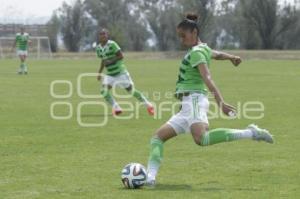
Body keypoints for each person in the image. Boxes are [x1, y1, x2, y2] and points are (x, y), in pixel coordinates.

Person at [145, 13, 274, 186]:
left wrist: (220, 102)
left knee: (202, 139)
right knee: (157, 138)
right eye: (179, 37)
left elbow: (207, 78)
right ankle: (150, 179)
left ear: (194, 32)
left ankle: (251, 133)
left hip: (195, 100)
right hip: (187, 106)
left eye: (184, 36)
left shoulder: (197, 52)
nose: (181, 40)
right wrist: (231, 57)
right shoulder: (202, 48)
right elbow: (216, 54)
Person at [96, 29, 154, 116]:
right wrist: (99, 73)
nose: (103, 35)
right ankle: (116, 108)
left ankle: (149, 105)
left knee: (131, 91)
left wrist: (111, 61)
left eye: (104, 34)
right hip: (110, 74)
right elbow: (103, 61)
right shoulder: (98, 48)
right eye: (101, 34)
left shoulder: (112, 44)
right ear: (99, 36)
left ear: (107, 35)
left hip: (120, 72)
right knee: (103, 91)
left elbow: (121, 56)